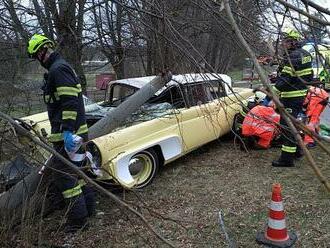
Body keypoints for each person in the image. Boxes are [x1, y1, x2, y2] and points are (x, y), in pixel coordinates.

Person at [27, 34, 95, 232]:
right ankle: (89, 209)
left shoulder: (58, 69)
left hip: (69, 137)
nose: (37, 61)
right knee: (79, 173)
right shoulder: (58, 69)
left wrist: (66, 131)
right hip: (75, 135)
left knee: (64, 177)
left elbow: (70, 102)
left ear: (41, 52)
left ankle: (78, 221)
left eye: (35, 56)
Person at [271, 28, 313, 167]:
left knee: (287, 127)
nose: (284, 44)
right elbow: (305, 75)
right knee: (293, 124)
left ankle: (286, 159)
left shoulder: (293, 56)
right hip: (299, 94)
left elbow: (287, 78)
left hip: (291, 96)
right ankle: (298, 151)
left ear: (294, 41)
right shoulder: (305, 54)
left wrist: (273, 90)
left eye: (287, 41)